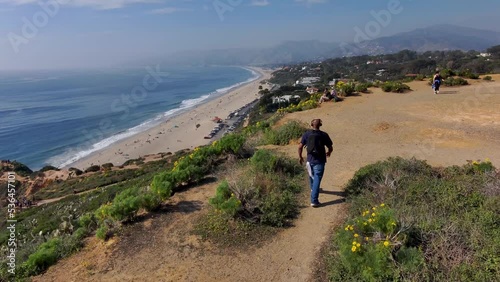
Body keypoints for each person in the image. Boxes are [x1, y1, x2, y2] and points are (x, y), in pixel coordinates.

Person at [298, 119, 333, 207]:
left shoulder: (306, 134)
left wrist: (300, 156)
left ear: (311, 125)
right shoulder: (324, 135)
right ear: (320, 125)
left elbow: (300, 147)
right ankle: (314, 201)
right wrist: (329, 152)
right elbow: (330, 147)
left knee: (311, 175)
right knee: (317, 178)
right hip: (320, 160)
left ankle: (312, 189)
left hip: (309, 160)